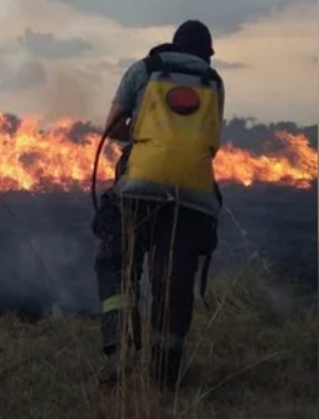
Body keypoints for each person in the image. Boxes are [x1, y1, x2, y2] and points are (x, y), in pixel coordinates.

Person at [93, 20, 225, 390]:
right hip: (194, 197)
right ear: (204, 53)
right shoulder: (214, 82)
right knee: (174, 283)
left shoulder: (144, 70)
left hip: (139, 188)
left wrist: (143, 131)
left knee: (117, 265)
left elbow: (113, 128)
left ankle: (120, 353)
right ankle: (165, 376)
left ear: (172, 44)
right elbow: (211, 143)